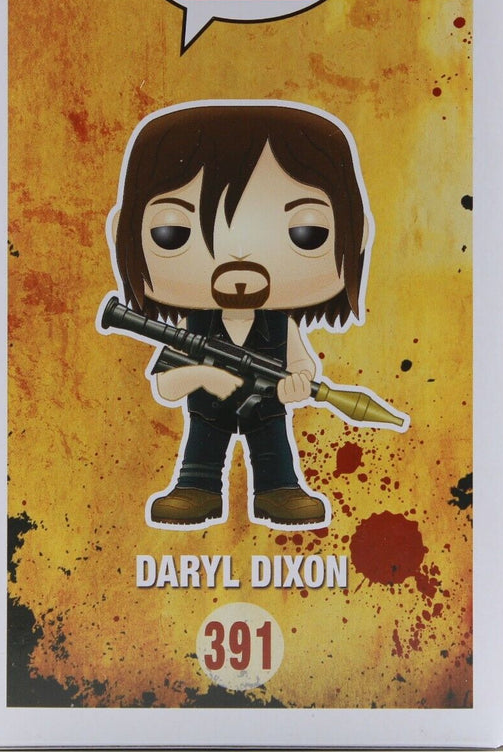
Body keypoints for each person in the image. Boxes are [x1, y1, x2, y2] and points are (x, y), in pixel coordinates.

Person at [107, 102, 371, 528]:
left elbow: (301, 365)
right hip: (208, 415)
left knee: (275, 455)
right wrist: (203, 375)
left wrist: (297, 383)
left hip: (266, 411)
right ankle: (197, 489)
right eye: (173, 232)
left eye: (307, 232)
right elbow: (166, 386)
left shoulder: (279, 323)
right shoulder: (191, 325)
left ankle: (278, 489)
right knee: (201, 453)